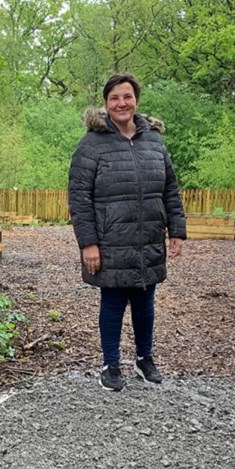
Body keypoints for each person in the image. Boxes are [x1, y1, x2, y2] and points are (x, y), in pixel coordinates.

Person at [68, 73, 187, 392]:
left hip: (147, 237)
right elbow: (79, 197)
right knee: (113, 300)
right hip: (110, 240)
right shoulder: (92, 143)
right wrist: (88, 243)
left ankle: (144, 359)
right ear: (106, 104)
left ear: (136, 100)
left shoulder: (154, 141)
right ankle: (110, 365)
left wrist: (176, 230)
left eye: (127, 96)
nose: (121, 103)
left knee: (145, 299)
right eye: (114, 98)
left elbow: (170, 189)